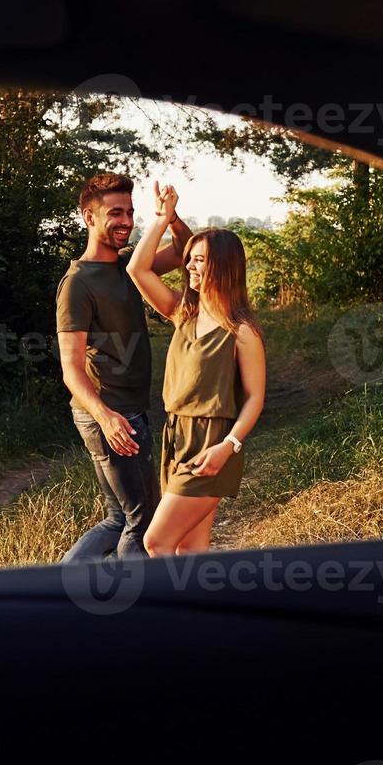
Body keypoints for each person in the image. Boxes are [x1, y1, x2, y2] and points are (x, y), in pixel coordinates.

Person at [55, 172, 192, 561]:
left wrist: (170, 216)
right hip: (109, 414)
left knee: (120, 518)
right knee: (142, 520)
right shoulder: (77, 284)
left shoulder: (127, 267)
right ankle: (136, 608)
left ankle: (66, 586)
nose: (127, 222)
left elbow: (186, 252)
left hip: (127, 410)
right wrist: (107, 417)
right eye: (115, 213)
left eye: (130, 213)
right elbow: (71, 367)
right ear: (89, 217)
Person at [126, 183, 267, 556]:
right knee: (190, 547)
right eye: (190, 258)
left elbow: (255, 398)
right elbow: (137, 268)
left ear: (223, 266)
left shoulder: (242, 331)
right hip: (176, 434)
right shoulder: (181, 313)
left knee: (156, 541)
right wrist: (163, 219)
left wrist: (228, 446)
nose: (188, 265)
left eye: (199, 259)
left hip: (214, 441)